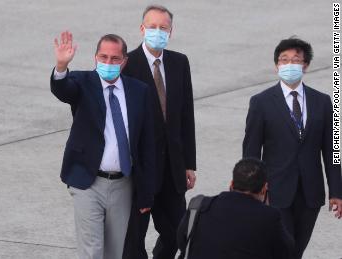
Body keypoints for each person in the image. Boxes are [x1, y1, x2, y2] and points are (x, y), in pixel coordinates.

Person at [50, 31, 155, 259]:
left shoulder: (139, 91)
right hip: (88, 182)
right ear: (95, 57)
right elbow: (63, 89)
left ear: (124, 61)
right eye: (103, 57)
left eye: (115, 59)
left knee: (114, 253)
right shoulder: (82, 82)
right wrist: (61, 66)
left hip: (123, 184)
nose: (108, 62)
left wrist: (146, 191)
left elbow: (146, 144)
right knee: (92, 251)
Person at [243, 37, 342, 259]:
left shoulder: (322, 102)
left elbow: (331, 149)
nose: (289, 65)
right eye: (283, 60)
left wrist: (336, 191)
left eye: (295, 60)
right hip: (274, 191)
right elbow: (251, 150)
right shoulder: (261, 102)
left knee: (296, 249)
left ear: (305, 65)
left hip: (310, 193)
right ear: (277, 65)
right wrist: (250, 190)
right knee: (283, 249)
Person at [121, 5, 196, 259]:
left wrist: (189, 163)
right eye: (152, 27)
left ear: (171, 32)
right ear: (142, 29)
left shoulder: (179, 62)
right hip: (140, 169)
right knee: (134, 237)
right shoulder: (127, 65)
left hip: (172, 167)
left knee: (178, 232)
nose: (157, 32)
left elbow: (186, 116)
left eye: (163, 28)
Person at [178, 158, 294, 259]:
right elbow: (287, 253)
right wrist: (266, 208)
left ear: (232, 184)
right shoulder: (270, 217)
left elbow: (182, 242)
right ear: (264, 189)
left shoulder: (198, 205)